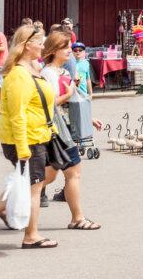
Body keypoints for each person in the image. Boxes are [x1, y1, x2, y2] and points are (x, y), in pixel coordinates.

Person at [0, 25, 56, 248]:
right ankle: (31, 235)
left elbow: (38, 105)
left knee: (30, 184)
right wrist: (23, 146)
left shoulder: (30, 69)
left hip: (36, 135)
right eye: (39, 41)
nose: (42, 45)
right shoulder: (19, 74)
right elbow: (17, 115)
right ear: (27, 46)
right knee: (34, 188)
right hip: (27, 139)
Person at [39, 31, 99, 231]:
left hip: (63, 127)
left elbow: (70, 103)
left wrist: (88, 118)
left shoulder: (61, 72)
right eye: (66, 47)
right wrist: (69, 94)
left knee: (46, 177)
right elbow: (49, 104)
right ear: (54, 50)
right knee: (72, 171)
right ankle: (77, 218)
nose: (70, 51)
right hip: (57, 130)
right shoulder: (48, 73)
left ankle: (2, 208)